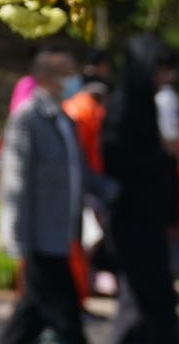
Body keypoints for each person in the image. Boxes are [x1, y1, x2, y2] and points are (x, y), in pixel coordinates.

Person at [0, 45, 92, 344]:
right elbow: (16, 181)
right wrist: (16, 237)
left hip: (61, 237)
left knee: (29, 318)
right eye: (67, 73)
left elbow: (80, 173)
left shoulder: (66, 120)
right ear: (47, 77)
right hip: (41, 240)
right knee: (67, 319)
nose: (74, 80)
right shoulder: (28, 119)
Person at [104, 35, 179, 344]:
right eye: (160, 69)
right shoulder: (123, 105)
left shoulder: (148, 103)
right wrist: (162, 156)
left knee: (154, 305)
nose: (166, 77)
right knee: (140, 306)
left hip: (151, 218)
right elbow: (116, 160)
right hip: (133, 219)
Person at [65, 49, 112, 302]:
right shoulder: (91, 111)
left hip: (77, 183)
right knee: (85, 242)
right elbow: (93, 151)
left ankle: (82, 290)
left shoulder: (71, 107)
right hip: (88, 183)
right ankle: (81, 292)